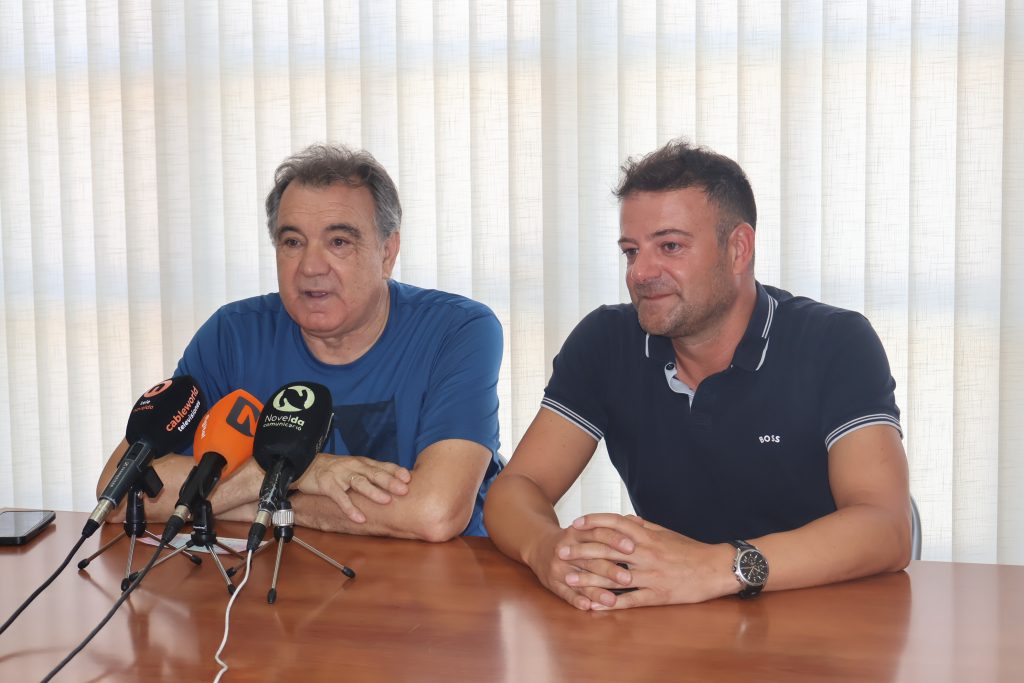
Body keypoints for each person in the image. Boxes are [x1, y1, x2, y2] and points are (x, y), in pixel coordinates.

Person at [484, 139, 911, 609]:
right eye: (631, 251)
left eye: (670, 246)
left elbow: (885, 527)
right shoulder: (606, 341)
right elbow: (516, 488)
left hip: (822, 611)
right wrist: (549, 550)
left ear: (738, 249)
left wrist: (715, 568)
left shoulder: (835, 342)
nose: (640, 273)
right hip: (676, 614)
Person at [96, 144, 503, 541]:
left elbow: (434, 512)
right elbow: (119, 493)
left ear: (387, 253)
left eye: (339, 242)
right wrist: (281, 474)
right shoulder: (233, 335)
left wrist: (267, 504)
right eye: (292, 242)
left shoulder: (457, 330)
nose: (310, 266)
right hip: (283, 574)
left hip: (439, 576)